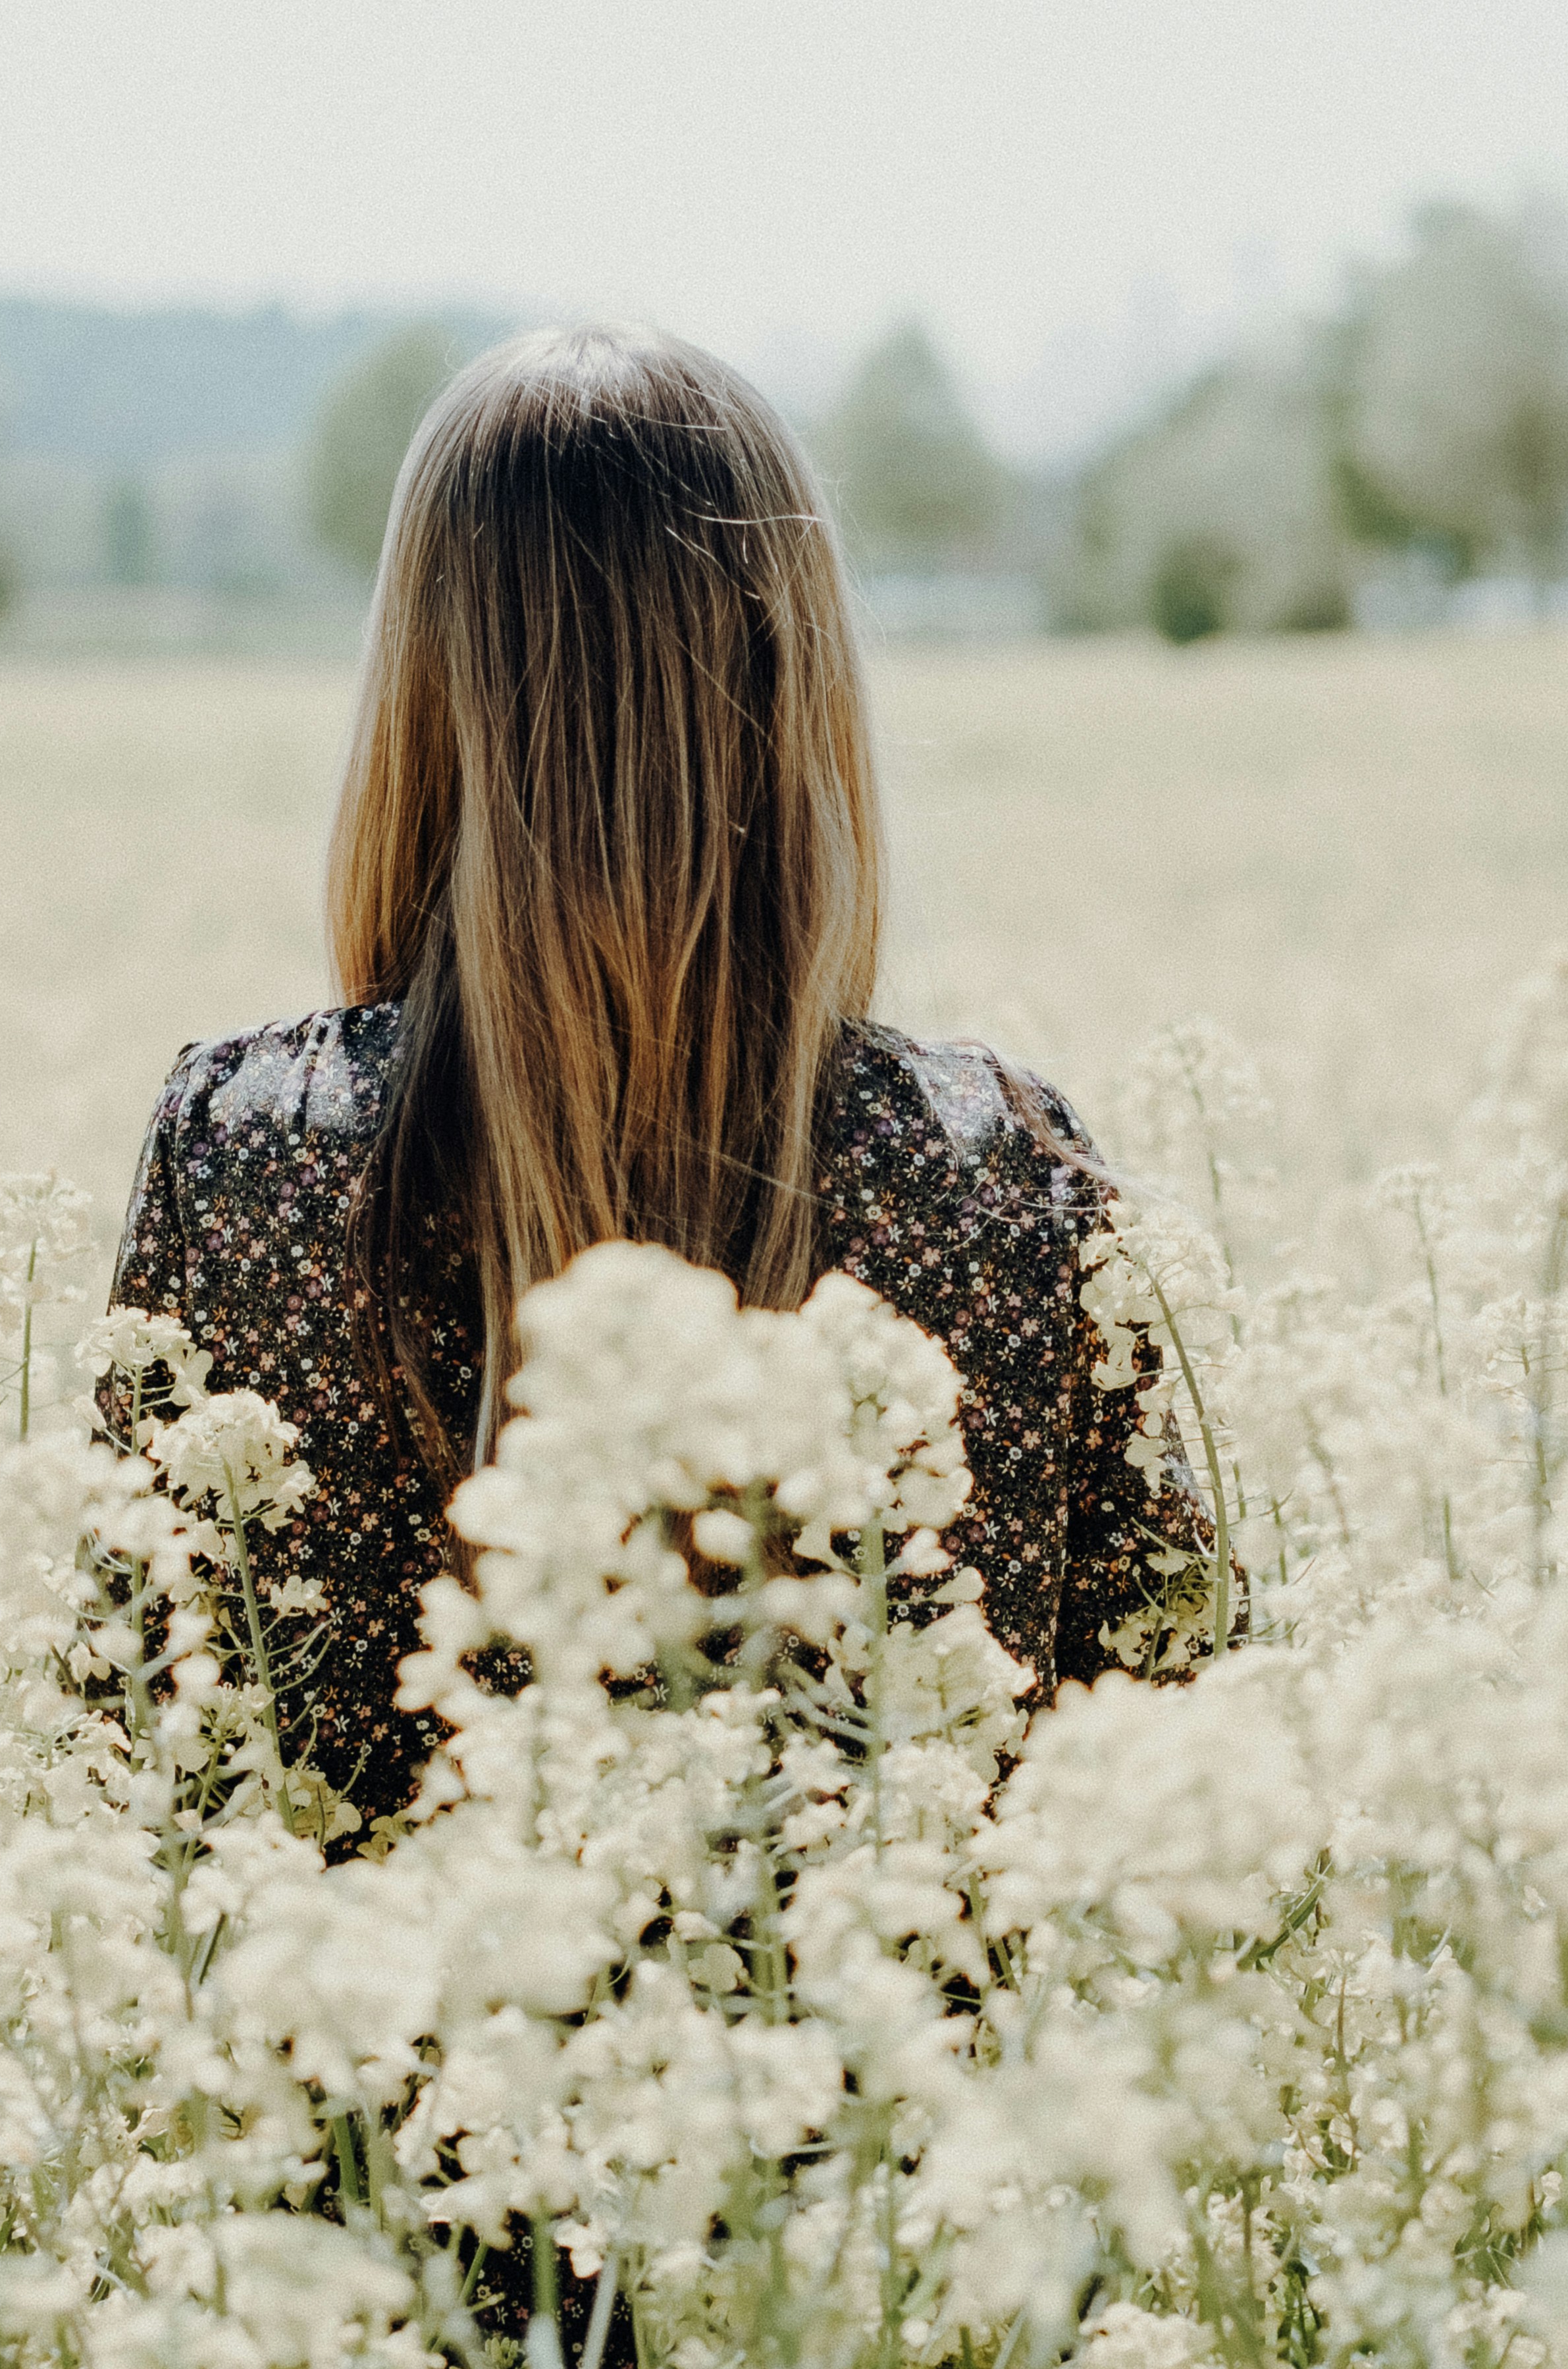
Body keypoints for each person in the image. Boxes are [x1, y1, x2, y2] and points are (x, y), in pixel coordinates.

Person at [106, 321, 1209, 1828]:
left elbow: (130, 1759)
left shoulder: (243, 1153)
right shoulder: (1004, 1174)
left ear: (422, 703)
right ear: (798, 693)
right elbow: (1181, 1760)